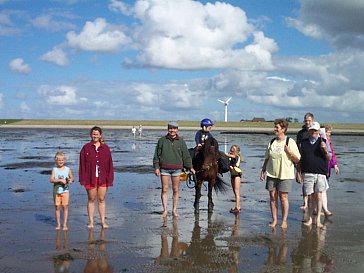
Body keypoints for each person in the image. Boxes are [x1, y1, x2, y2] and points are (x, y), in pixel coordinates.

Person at [260, 119, 300, 229]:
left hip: (285, 174)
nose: (275, 129)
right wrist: (263, 171)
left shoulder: (290, 142)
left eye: (277, 127)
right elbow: (267, 158)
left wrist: (289, 152)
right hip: (272, 174)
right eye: (275, 127)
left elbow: (297, 159)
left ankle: (284, 221)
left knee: (283, 197)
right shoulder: (272, 142)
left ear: (283, 129)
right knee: (272, 197)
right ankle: (274, 220)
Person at [153, 122, 195, 218]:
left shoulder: (181, 141)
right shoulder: (162, 140)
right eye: (170, 129)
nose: (172, 130)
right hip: (164, 169)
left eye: (174, 129)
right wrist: (156, 167)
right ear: (168, 129)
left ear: (177, 129)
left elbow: (186, 156)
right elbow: (156, 155)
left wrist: (190, 167)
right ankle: (165, 210)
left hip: (177, 169)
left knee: (176, 189)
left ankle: (174, 210)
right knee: (165, 189)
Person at [296, 122, 331, 228]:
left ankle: (318, 220)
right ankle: (310, 219)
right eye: (312, 130)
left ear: (319, 132)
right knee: (310, 196)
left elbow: (329, 158)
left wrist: (324, 149)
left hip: (320, 173)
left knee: (319, 195)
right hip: (307, 173)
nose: (314, 132)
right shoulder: (303, 142)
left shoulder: (324, 141)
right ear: (309, 131)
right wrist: (298, 172)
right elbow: (299, 159)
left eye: (316, 131)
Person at [79, 126, 114, 229]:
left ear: (100, 135)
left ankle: (103, 222)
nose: (95, 136)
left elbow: (110, 164)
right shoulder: (86, 148)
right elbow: (82, 165)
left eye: (97, 134)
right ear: (91, 135)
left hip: (103, 178)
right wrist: (83, 179)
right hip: (90, 178)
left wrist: (110, 178)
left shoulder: (106, 148)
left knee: (102, 199)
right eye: (93, 134)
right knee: (91, 199)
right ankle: (91, 222)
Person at [50, 151, 74, 231]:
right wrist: (60, 180)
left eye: (62, 160)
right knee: (57, 207)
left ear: (64, 161)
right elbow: (51, 180)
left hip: (65, 191)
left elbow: (72, 178)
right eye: (59, 160)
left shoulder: (67, 169)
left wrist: (69, 180)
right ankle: (58, 224)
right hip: (56, 191)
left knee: (65, 207)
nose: (60, 162)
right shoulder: (54, 169)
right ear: (56, 161)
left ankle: (64, 224)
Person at [296, 112, 314, 210]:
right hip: (303, 160)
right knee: (305, 183)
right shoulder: (301, 133)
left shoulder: (315, 131)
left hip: (314, 160)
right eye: (306, 120)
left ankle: (313, 203)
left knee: (314, 183)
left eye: (309, 120)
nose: (307, 122)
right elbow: (297, 147)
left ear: (312, 121)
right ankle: (305, 203)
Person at [321, 124, 339, 217]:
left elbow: (332, 155)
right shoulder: (322, 141)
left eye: (330, 133)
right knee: (321, 189)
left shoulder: (328, 142)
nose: (329, 134)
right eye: (328, 132)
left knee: (324, 189)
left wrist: (335, 165)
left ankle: (322, 209)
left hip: (327, 169)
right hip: (321, 168)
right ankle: (323, 209)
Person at [226, 145, 243, 213]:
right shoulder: (230, 157)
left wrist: (225, 154)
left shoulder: (236, 156)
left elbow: (231, 156)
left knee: (237, 192)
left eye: (233, 149)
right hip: (232, 175)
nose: (231, 150)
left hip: (237, 175)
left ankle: (237, 207)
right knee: (234, 192)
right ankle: (237, 206)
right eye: (231, 148)